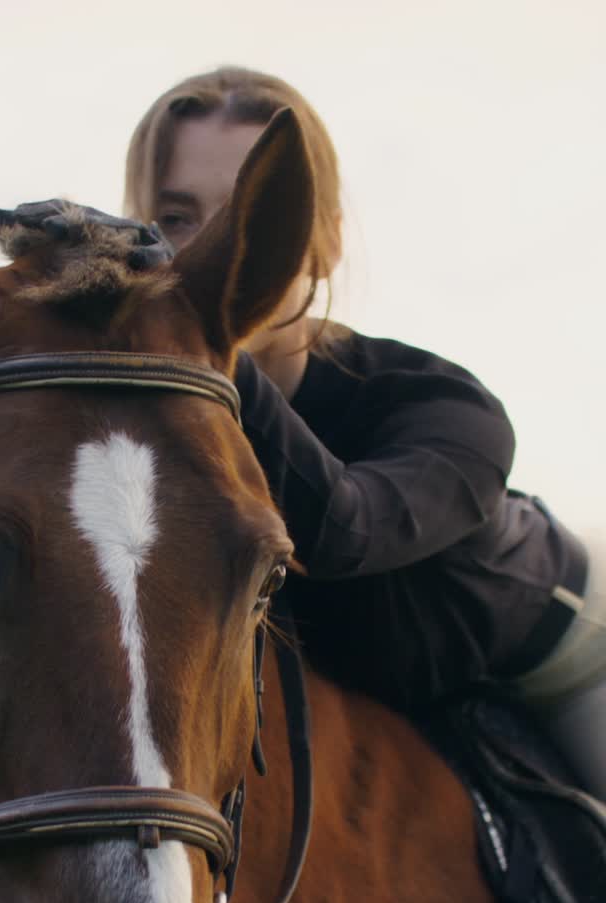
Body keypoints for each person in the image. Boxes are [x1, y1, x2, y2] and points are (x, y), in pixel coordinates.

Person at [119, 66, 606, 802]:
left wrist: (206, 350)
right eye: (178, 219)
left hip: (559, 664)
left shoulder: (444, 406)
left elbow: (344, 533)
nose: (219, 252)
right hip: (352, 692)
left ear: (326, 240)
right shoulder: (144, 432)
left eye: (261, 214)